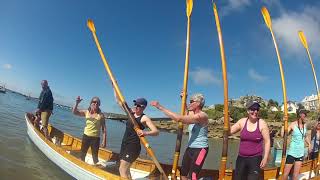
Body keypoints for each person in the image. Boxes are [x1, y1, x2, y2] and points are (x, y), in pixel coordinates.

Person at [151, 93, 209, 180]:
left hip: (201, 149)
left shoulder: (202, 116)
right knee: (183, 173)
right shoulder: (193, 115)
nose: (189, 103)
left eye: (191, 101)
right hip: (190, 148)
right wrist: (184, 99)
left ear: (198, 103)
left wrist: (160, 107)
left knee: (193, 176)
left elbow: (179, 119)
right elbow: (187, 113)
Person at [119, 98, 159, 179]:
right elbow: (119, 101)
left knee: (122, 169)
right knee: (126, 170)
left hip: (133, 146)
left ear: (143, 107)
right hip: (124, 143)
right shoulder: (131, 113)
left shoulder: (144, 118)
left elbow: (156, 132)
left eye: (138, 105)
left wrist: (145, 132)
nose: (135, 106)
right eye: (135, 104)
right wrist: (113, 86)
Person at [230, 101, 270, 180]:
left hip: (255, 159)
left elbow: (267, 141)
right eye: (253, 109)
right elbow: (229, 132)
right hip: (241, 158)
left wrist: (265, 158)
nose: (255, 112)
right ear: (248, 111)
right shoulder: (242, 122)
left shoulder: (262, 123)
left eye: (257, 109)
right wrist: (227, 120)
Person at [72, 96, 106, 165]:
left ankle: (95, 171)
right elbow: (74, 112)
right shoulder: (86, 112)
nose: (95, 103)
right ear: (91, 103)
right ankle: (82, 168)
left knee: (95, 158)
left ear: (99, 105)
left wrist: (104, 140)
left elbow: (104, 129)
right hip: (86, 137)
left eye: (97, 102)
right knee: (82, 156)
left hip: (95, 139)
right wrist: (77, 103)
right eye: (94, 102)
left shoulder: (101, 115)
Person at [281, 109, 311, 180]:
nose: (306, 116)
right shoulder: (293, 124)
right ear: (300, 115)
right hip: (292, 152)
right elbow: (283, 135)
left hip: (300, 152)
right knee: (286, 173)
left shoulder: (305, 125)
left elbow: (305, 136)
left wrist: (309, 144)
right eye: (305, 114)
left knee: (296, 174)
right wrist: (283, 123)